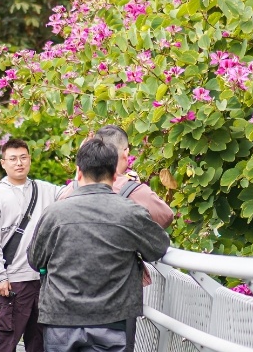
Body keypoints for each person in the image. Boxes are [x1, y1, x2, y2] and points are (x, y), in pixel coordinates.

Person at [28, 138, 171, 352]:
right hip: (113, 320)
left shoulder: (54, 213)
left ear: (78, 172)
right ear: (115, 175)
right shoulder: (130, 212)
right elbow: (158, 247)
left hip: (61, 319)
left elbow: (35, 259)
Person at [0, 139, 63, 352]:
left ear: (30, 159)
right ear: (3, 163)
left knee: (39, 341)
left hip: (42, 280)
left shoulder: (44, 189)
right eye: (13, 159)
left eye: (23, 157)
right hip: (13, 282)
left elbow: (70, 193)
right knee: (6, 340)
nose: (19, 163)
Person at [93, 124, 174, 229]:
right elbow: (166, 216)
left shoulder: (73, 189)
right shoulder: (132, 190)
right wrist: (134, 187)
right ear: (125, 153)